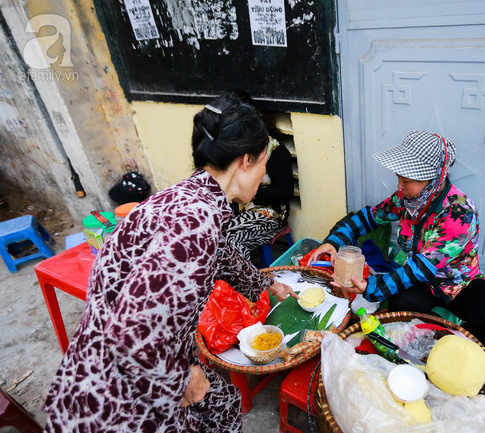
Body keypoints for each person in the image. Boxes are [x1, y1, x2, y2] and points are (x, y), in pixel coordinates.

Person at [42, 91, 298, 433]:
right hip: (115, 392)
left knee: (222, 402)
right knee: (209, 405)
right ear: (246, 162)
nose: (262, 174)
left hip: (128, 362)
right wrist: (182, 381)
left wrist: (265, 284)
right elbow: (132, 336)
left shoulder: (189, 197)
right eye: (264, 164)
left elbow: (220, 254)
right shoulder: (195, 224)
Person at [308, 130, 485, 347]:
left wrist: (370, 286)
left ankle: (447, 346)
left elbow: (421, 268)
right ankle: (405, 344)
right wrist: (333, 242)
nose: (399, 186)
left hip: (457, 282)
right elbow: (368, 217)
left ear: (434, 180)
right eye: (399, 178)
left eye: (406, 180)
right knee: (400, 304)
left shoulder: (459, 213)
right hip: (423, 281)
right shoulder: (407, 199)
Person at [226, 95, 294, 260]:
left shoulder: (273, 150)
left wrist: (252, 193)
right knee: (210, 235)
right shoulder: (232, 149)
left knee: (232, 240)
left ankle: (245, 282)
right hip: (238, 208)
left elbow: (286, 191)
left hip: (269, 213)